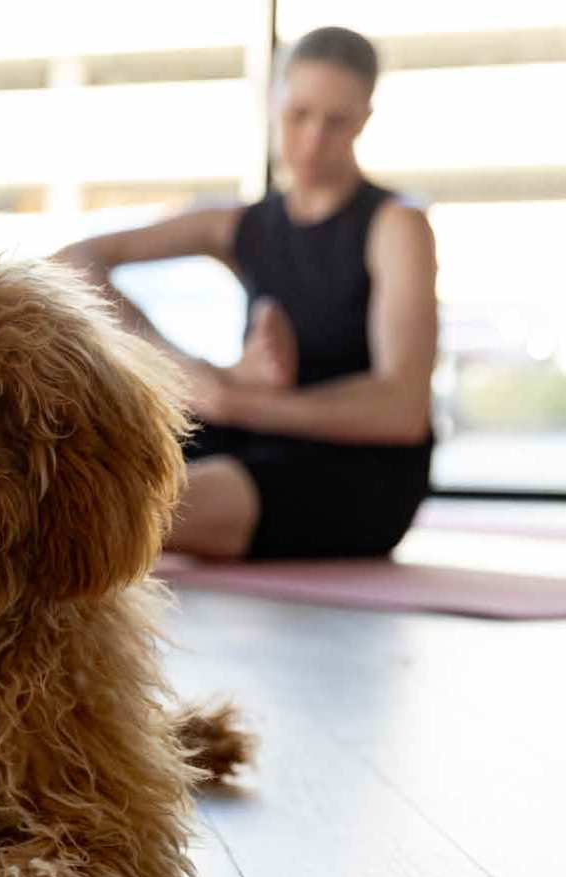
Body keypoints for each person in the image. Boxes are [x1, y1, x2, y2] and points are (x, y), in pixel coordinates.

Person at [55, 26, 439, 561]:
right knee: (84, 467)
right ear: (272, 103)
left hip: (361, 465)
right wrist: (183, 371)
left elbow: (402, 411)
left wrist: (237, 401)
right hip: (254, 433)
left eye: (336, 122)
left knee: (123, 509)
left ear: (364, 120)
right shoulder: (241, 224)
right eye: (299, 115)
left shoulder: (397, 224)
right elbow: (73, 262)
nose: (312, 141)